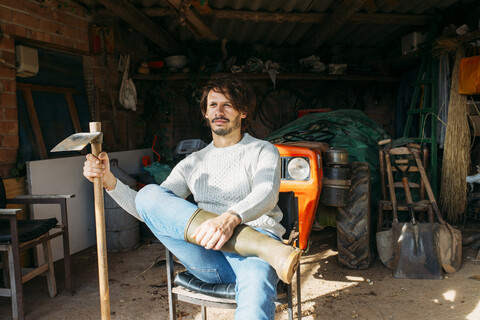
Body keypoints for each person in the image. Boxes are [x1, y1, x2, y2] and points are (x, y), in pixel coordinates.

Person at [83, 76, 302, 320]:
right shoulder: (193, 163)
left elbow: (267, 193)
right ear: (205, 114)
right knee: (150, 195)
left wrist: (229, 219)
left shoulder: (262, 150)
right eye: (213, 105)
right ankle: (272, 250)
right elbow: (147, 209)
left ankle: (266, 248)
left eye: (227, 104)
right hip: (209, 256)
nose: (219, 111)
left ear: (242, 112)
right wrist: (110, 181)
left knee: (255, 293)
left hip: (254, 254)